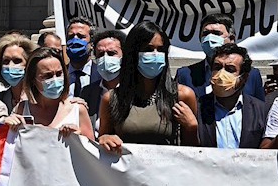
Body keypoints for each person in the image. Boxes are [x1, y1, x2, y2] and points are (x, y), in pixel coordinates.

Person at [98, 21, 200, 152]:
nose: (155, 55)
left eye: (160, 49)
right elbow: (103, 140)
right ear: (133, 53)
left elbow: (193, 154)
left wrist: (191, 127)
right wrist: (105, 138)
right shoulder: (112, 99)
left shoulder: (182, 95)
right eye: (148, 49)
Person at [4, 47, 95, 140]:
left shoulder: (78, 110)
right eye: (47, 76)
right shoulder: (22, 109)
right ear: (33, 80)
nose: (55, 80)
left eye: (59, 74)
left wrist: (78, 136)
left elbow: (91, 150)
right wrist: (6, 126)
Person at [176, 13, 265, 102]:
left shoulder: (252, 75)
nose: (210, 38)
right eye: (205, 33)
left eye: (216, 33)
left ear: (232, 39)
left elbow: (259, 110)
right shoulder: (185, 75)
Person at [197, 44, 266, 149]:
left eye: (230, 69)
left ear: (244, 78)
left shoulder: (261, 110)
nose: (221, 75)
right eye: (217, 67)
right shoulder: (197, 108)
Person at [81, 29, 125, 131]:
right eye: (100, 54)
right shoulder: (88, 92)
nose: (105, 58)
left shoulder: (135, 90)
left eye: (111, 53)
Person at [62, 16, 99, 98]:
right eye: (71, 37)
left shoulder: (101, 75)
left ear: (92, 43)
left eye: (81, 37)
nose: (75, 41)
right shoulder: (60, 76)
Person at [0, 35, 34, 112]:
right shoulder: (0, 98)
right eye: (6, 61)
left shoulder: (39, 99)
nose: (10, 66)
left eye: (17, 61)